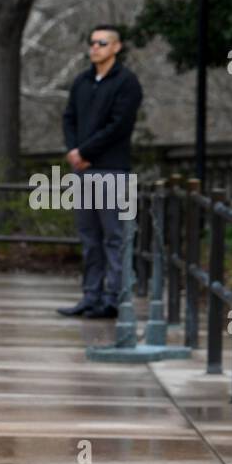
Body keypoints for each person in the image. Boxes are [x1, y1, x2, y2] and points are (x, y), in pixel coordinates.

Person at [58, 24, 143, 320]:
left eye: (102, 43)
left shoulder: (127, 83)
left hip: (113, 171)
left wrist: (85, 152)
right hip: (83, 171)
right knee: (89, 236)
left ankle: (115, 298)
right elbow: (69, 118)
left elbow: (118, 126)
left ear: (116, 47)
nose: (95, 48)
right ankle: (90, 296)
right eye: (92, 42)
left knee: (115, 237)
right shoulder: (82, 81)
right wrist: (73, 150)